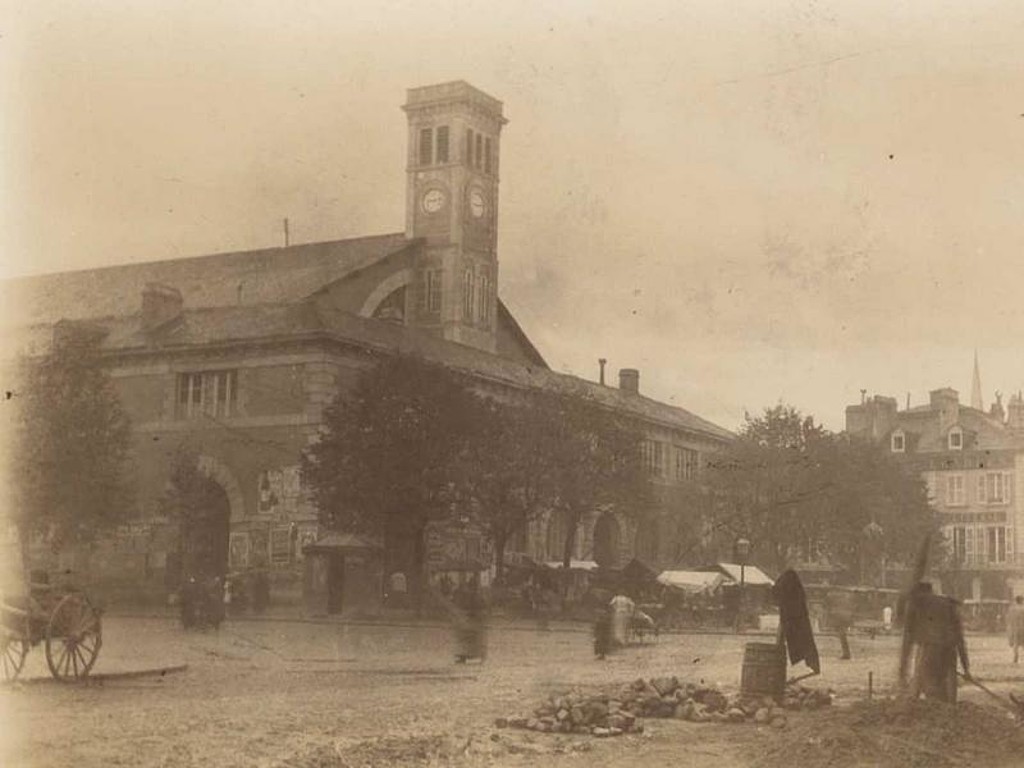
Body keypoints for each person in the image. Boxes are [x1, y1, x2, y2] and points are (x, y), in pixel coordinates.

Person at [899, 582, 969, 703]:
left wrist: (903, 670)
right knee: (948, 692)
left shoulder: (916, 604)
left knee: (929, 686)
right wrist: (966, 668)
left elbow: (908, 641)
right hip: (949, 650)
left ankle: (915, 705)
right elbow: (960, 638)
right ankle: (949, 710)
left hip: (929, 649)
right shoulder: (949, 604)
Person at [453, 576, 487, 663]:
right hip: (470, 619)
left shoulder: (477, 596)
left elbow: (482, 606)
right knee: (467, 639)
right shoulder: (471, 595)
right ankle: (464, 656)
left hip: (474, 619)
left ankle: (475, 656)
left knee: (472, 639)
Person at [825, 588, 854, 660]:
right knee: (842, 635)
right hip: (843, 616)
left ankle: (846, 654)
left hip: (841, 616)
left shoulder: (834, 597)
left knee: (842, 634)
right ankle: (846, 653)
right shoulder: (843, 597)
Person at [1007, 595, 1024, 664]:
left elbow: (1009, 619)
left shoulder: (1012, 609)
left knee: (1015, 643)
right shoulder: (1023, 608)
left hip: (1014, 628)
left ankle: (1015, 657)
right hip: (1022, 627)